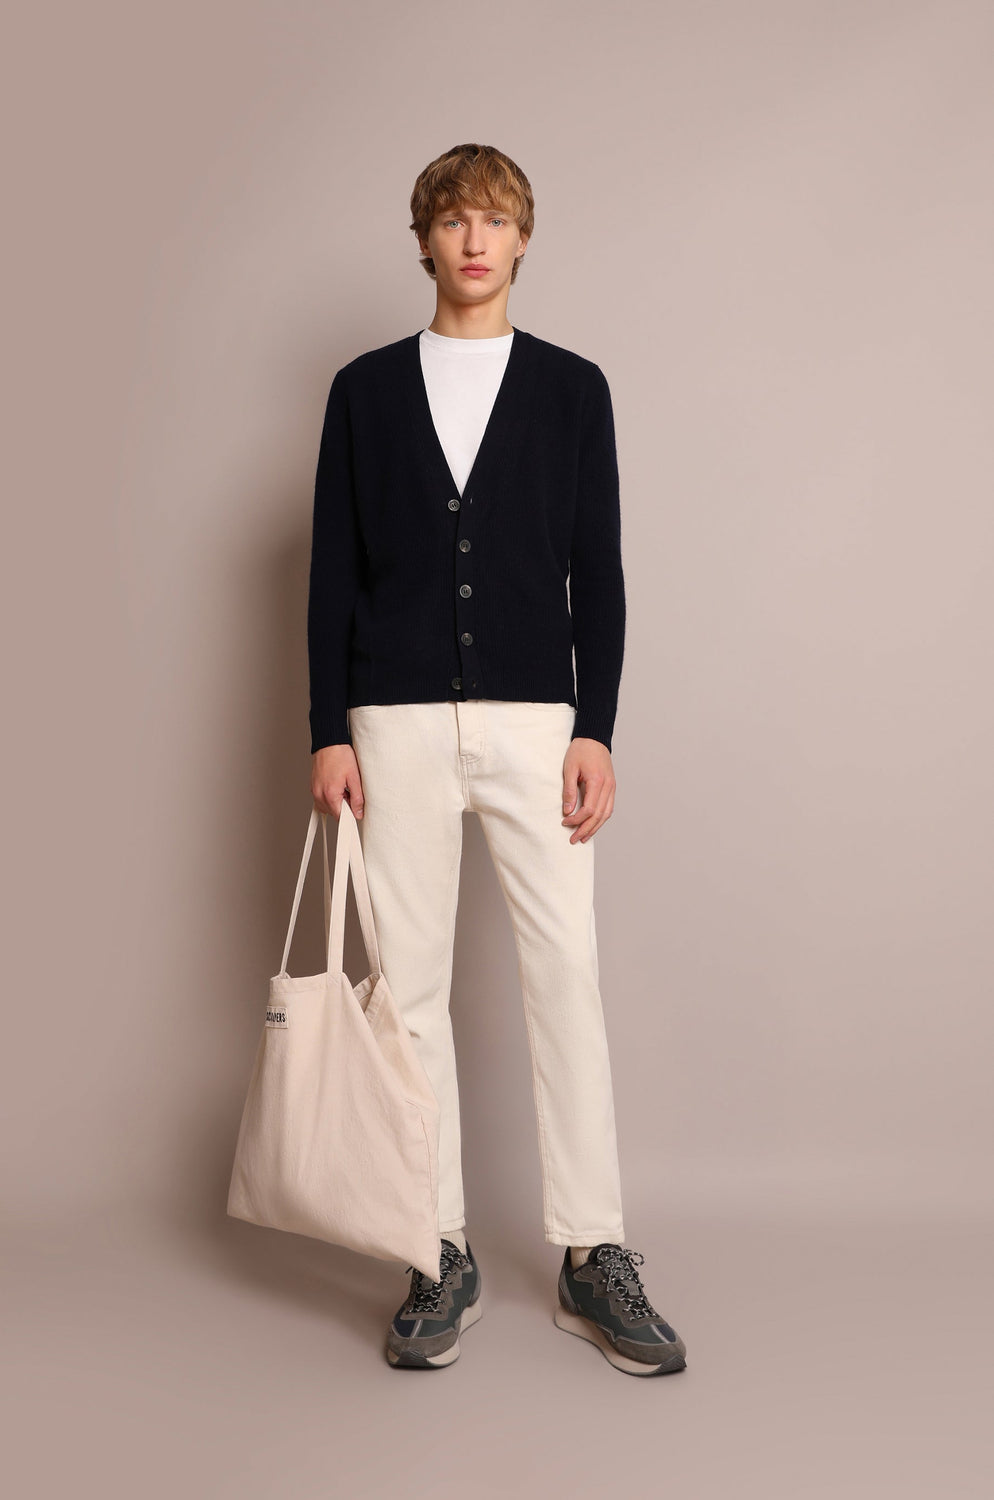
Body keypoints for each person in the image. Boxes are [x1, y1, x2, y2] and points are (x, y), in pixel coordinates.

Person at [307, 143, 686, 1377]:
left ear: (523, 239)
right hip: (395, 721)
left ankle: (591, 1251)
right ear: (423, 239)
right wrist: (326, 728)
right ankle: (437, 1247)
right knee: (408, 993)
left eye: (495, 219)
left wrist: (596, 727)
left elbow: (598, 572)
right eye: (453, 218)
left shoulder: (573, 389)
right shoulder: (364, 391)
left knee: (563, 975)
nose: (474, 239)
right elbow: (330, 572)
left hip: (535, 725)